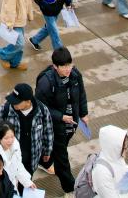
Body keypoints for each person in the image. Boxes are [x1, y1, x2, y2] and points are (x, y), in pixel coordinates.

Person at [35, 47, 88, 194]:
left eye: (69, 65)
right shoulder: (46, 83)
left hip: (71, 122)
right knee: (62, 158)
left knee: (60, 146)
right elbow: (40, 107)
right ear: (55, 66)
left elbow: (81, 94)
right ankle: (70, 189)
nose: (68, 69)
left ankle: (44, 161)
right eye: (63, 66)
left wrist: (84, 113)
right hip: (55, 126)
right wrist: (61, 117)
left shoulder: (75, 74)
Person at [0, 83, 55, 179]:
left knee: (26, 180)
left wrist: (47, 152)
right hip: (9, 160)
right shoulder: (3, 111)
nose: (13, 103)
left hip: (31, 160)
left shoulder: (42, 111)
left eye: (17, 101)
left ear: (28, 101)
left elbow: (48, 133)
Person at [0, 122, 35, 196]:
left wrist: (27, 182)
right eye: (6, 138)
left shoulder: (15, 144)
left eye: (12, 136)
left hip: (11, 185)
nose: (10, 141)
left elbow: (18, 165)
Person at [91, 126, 128, 198]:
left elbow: (123, 168)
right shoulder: (101, 172)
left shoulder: (114, 156)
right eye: (123, 147)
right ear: (114, 147)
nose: (126, 150)